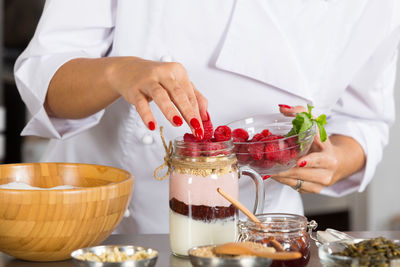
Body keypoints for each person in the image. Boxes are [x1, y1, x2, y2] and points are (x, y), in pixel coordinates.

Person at [14, 0, 400, 234]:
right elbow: (47, 81)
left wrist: (335, 161)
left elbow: (364, 122)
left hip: (260, 234)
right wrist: (118, 72)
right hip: (105, 224)